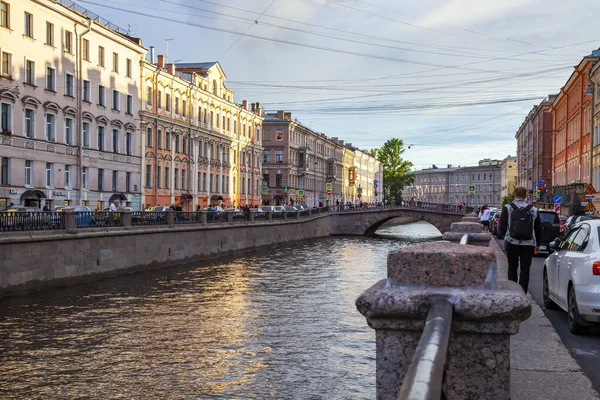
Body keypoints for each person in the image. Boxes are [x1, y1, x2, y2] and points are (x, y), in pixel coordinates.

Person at [498, 186, 542, 294]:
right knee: (525, 270)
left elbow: (502, 226)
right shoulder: (533, 209)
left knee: (512, 267)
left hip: (511, 242)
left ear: (514, 195)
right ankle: (522, 294)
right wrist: (538, 244)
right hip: (528, 244)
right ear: (525, 196)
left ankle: (512, 293)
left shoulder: (508, 208)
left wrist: (505, 237)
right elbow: (538, 229)